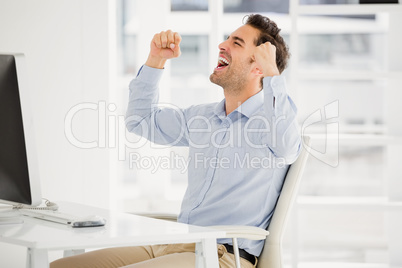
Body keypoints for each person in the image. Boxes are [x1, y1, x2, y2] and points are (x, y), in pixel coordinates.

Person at [51, 14, 301, 268]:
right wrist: (156, 60)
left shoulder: (273, 124)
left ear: (259, 66)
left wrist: (273, 74)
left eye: (236, 43)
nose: (222, 45)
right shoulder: (204, 117)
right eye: (227, 38)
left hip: (222, 256)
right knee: (63, 266)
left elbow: (289, 149)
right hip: (173, 243)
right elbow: (140, 120)